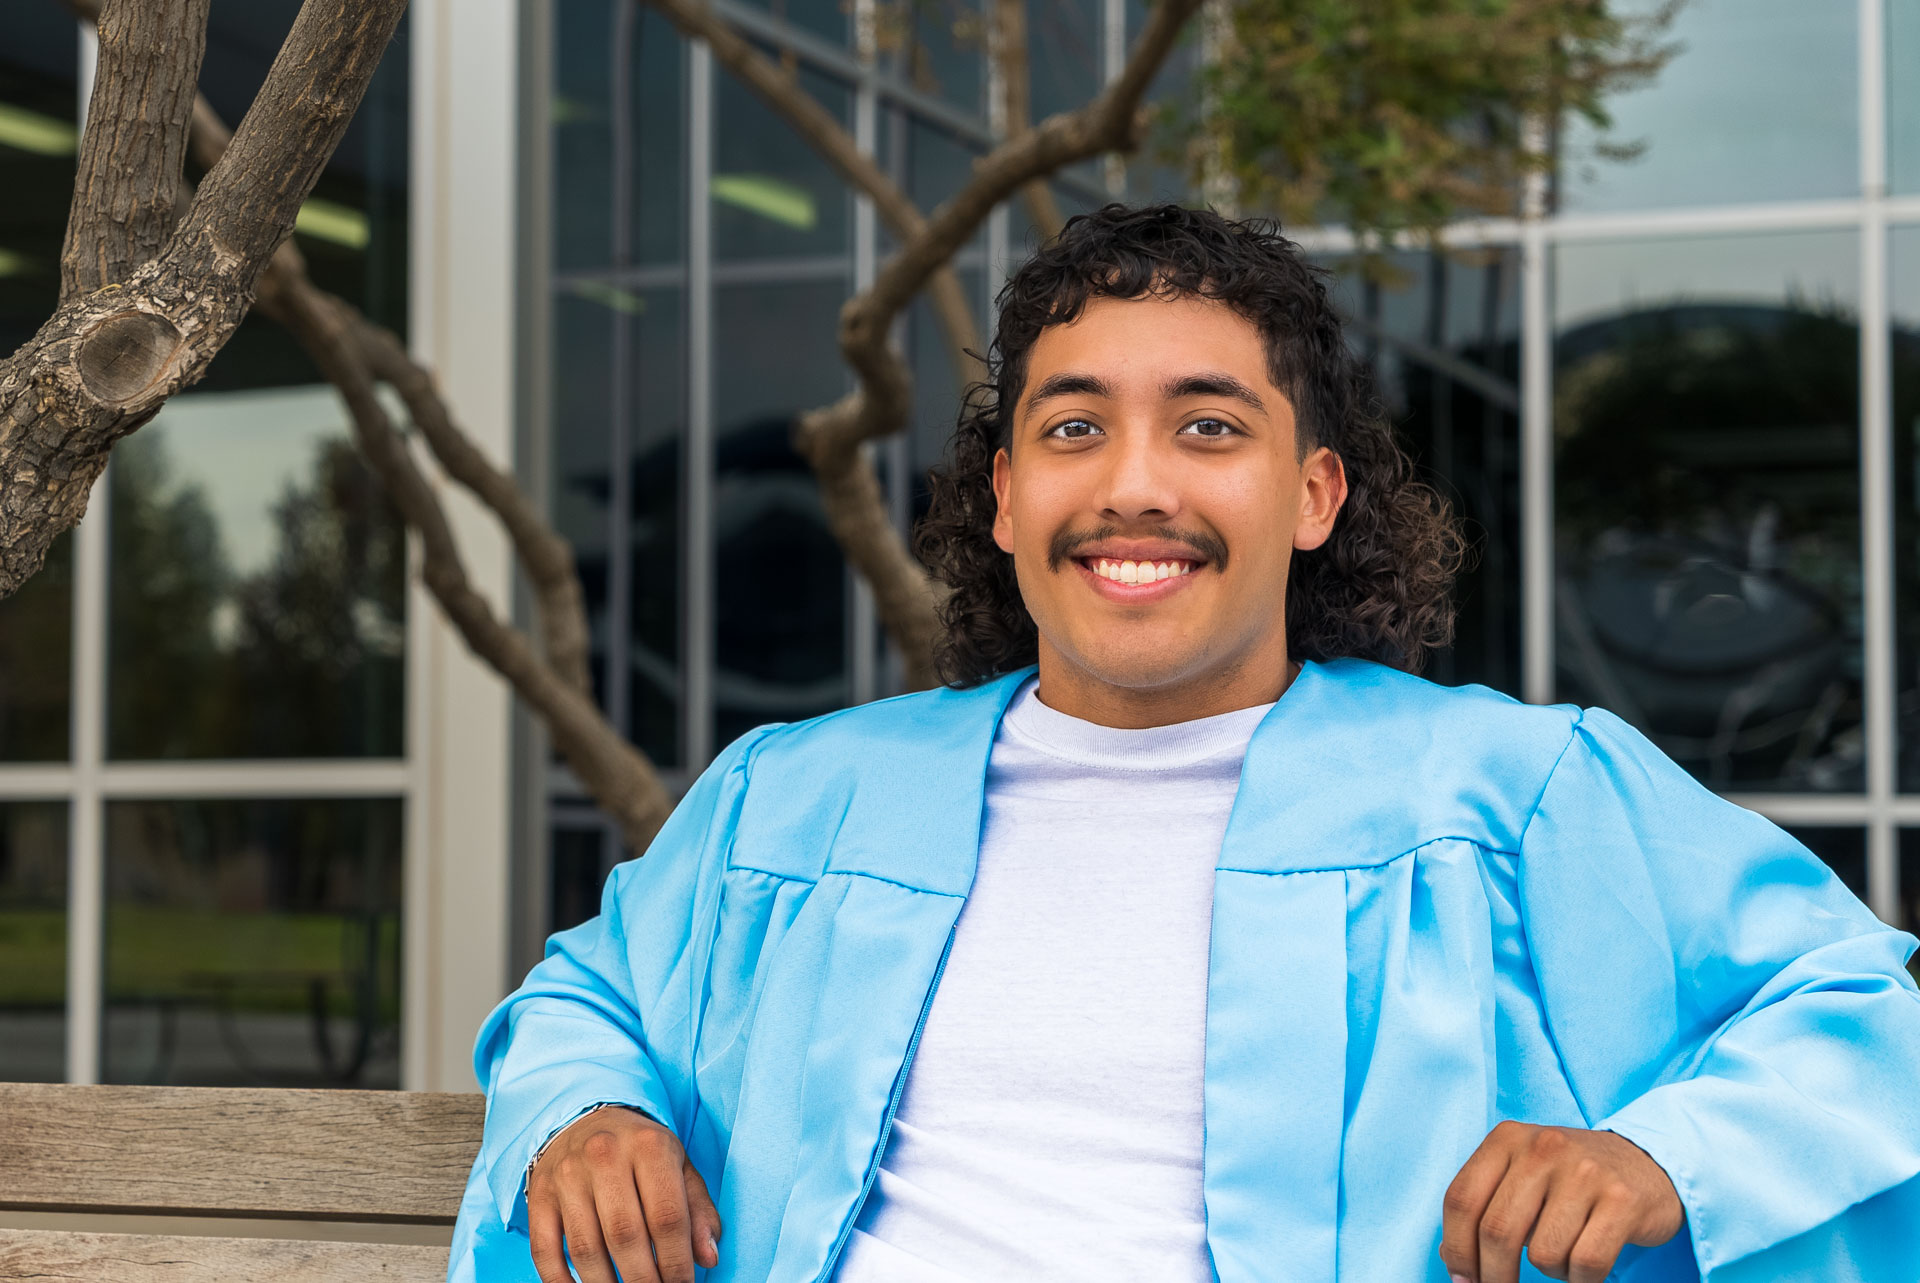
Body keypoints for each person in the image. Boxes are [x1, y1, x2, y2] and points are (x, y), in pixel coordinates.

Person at [446, 204, 1920, 1283]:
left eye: (1210, 428)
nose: (1132, 486)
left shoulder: (1513, 797)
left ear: (1316, 494)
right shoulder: (799, 801)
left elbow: (1864, 1013)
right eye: (1075, 430)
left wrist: (1665, 1157)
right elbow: (590, 993)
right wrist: (591, 1112)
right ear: (1009, 496)